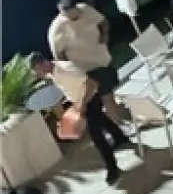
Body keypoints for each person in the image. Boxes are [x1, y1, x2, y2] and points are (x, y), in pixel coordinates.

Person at [29, 52, 129, 186]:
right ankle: (120, 137)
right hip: (81, 102)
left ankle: (113, 169)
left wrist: (82, 104)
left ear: (44, 63)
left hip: (90, 99)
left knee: (97, 136)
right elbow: (69, 86)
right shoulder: (52, 74)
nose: (38, 73)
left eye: (37, 70)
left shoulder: (66, 69)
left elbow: (92, 84)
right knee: (102, 120)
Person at [48, 0, 122, 121]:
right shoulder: (57, 28)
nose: (72, 19)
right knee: (107, 98)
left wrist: (104, 36)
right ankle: (119, 122)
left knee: (110, 94)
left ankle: (118, 120)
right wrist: (72, 69)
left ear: (76, 8)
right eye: (68, 17)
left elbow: (103, 21)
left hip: (102, 59)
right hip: (86, 68)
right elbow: (58, 55)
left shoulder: (86, 9)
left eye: (74, 16)